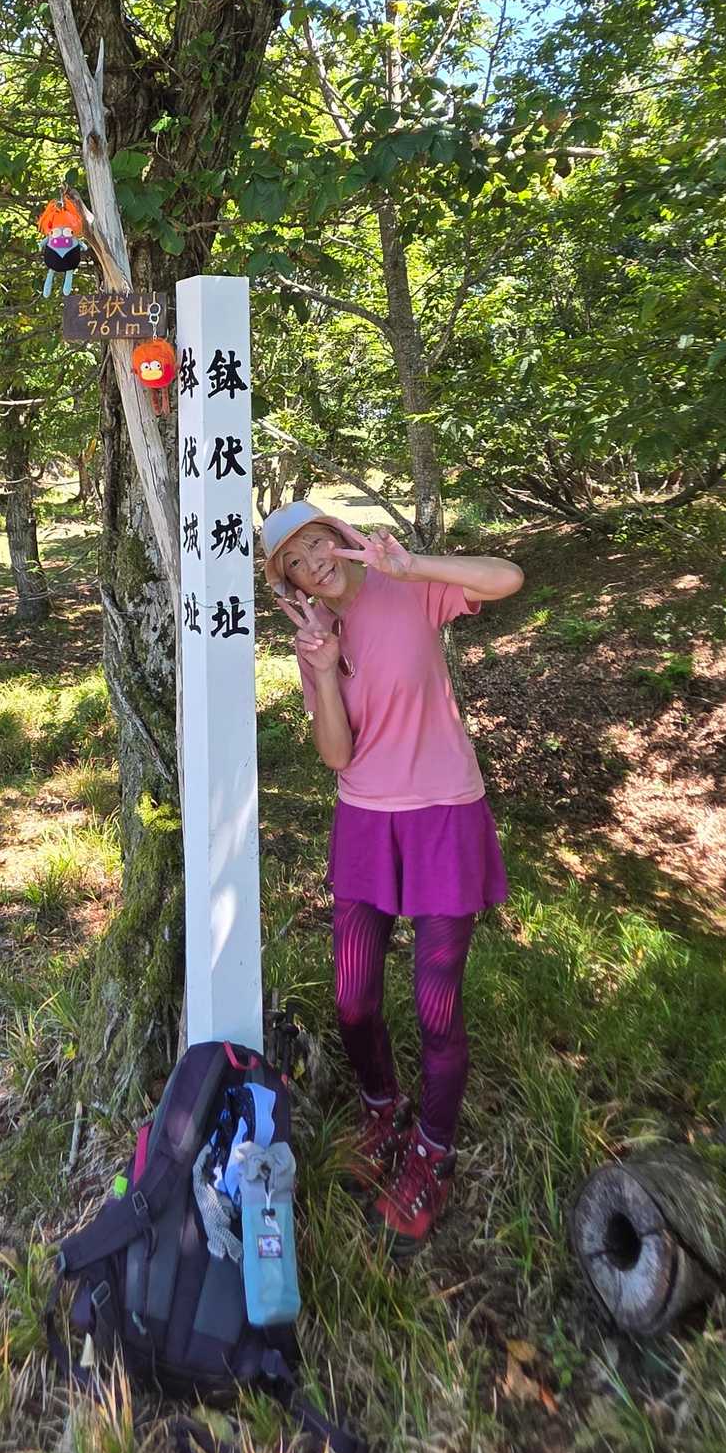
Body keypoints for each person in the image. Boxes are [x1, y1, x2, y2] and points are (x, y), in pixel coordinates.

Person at [259, 499, 523, 1254]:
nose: (314, 564)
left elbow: (507, 576)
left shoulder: (405, 585)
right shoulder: (317, 638)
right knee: (352, 1000)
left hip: (443, 815)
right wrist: (320, 670)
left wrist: (413, 564)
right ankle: (384, 1109)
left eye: (318, 544)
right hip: (366, 822)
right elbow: (336, 755)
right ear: (289, 584)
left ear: (341, 538)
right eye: (295, 563)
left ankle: (433, 1152)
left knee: (437, 1009)